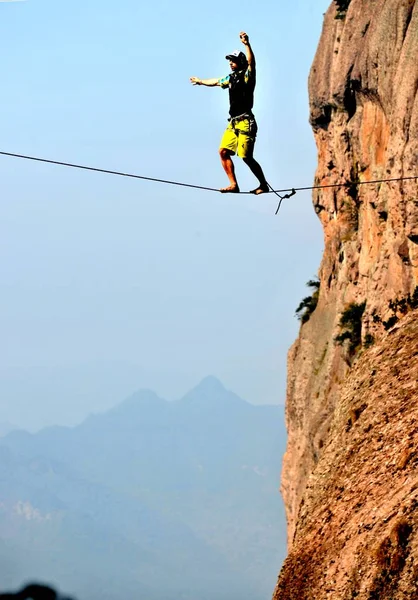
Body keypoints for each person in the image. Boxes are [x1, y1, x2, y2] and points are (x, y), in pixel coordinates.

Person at [190, 32, 269, 194]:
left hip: (246, 121)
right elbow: (217, 82)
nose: (231, 63)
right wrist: (201, 81)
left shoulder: (248, 76)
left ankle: (263, 184)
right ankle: (233, 184)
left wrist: (247, 44)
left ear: (240, 62)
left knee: (246, 157)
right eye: (230, 61)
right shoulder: (231, 78)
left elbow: (252, 64)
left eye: (233, 61)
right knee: (223, 152)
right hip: (233, 122)